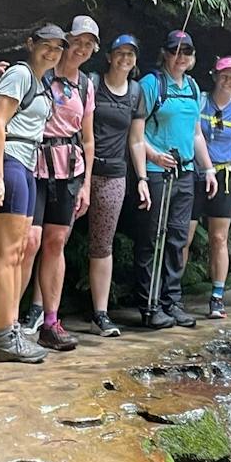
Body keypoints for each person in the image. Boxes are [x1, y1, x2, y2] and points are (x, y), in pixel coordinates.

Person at [0, 24, 65, 363]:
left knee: (19, 253)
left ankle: (12, 329)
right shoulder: (20, 74)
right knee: (8, 252)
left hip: (28, 164)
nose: (51, 52)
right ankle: (3, 337)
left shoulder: (38, 80)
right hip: (12, 162)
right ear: (30, 44)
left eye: (57, 48)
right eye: (45, 45)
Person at [20, 15, 99, 353]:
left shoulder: (86, 85)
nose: (81, 48)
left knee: (56, 241)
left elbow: (89, 139)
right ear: (66, 41)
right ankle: (12, 322)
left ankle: (50, 322)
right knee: (29, 241)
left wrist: (86, 185)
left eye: (88, 44)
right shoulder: (42, 71)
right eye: (77, 41)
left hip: (69, 169)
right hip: (34, 165)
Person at [132, 29, 217, 328]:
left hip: (185, 173)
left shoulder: (193, 88)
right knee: (152, 238)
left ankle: (172, 301)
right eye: (175, 51)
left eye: (187, 52)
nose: (181, 57)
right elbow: (137, 133)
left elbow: (196, 135)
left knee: (178, 238)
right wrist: (153, 155)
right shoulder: (152, 84)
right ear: (165, 53)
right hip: (157, 173)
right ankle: (149, 304)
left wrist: (208, 169)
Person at [86, 33, 152, 337]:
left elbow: (136, 140)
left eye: (131, 54)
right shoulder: (92, 83)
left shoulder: (136, 92)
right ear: (110, 56)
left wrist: (141, 179)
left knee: (102, 245)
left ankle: (100, 314)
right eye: (120, 53)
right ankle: (41, 312)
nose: (126, 59)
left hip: (114, 174)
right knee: (53, 239)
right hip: (79, 170)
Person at [194, 56, 231, 319]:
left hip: (227, 176)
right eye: (224, 75)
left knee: (219, 238)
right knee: (184, 235)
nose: (227, 80)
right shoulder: (200, 101)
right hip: (196, 174)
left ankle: (217, 296)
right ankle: (168, 296)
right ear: (215, 76)